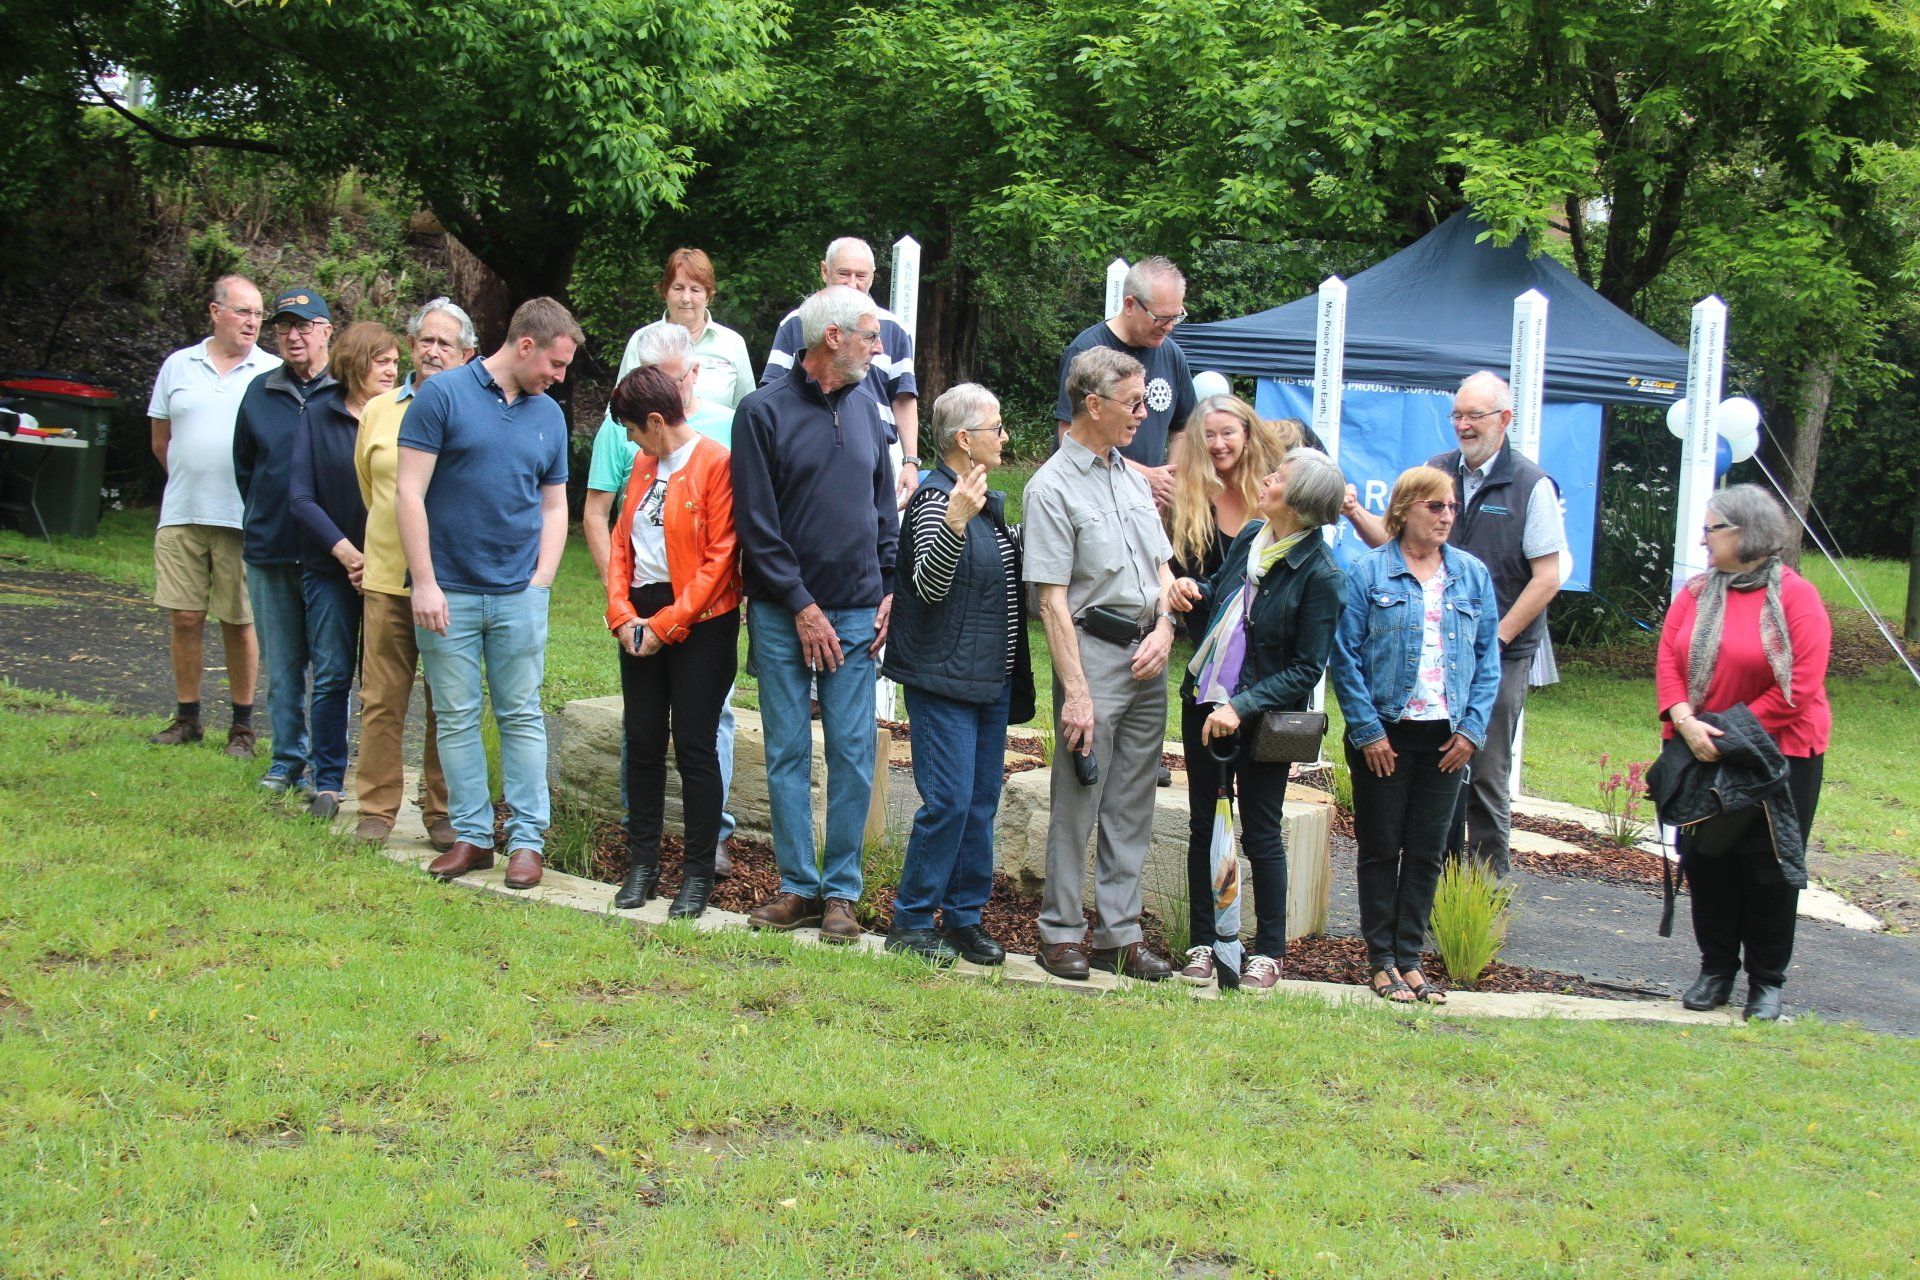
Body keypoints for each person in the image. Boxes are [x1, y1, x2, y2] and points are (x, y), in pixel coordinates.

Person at [1347, 371, 1567, 875]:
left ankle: (1481, 900)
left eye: (1475, 416)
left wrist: (1489, 644)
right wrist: (1357, 513)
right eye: (1458, 415)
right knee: (1436, 773)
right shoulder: (1436, 470)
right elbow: (1395, 548)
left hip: (1500, 654)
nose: (1464, 425)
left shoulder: (1532, 485)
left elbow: (1547, 578)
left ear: (1504, 419)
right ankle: (1433, 894)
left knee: (1485, 774)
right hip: (1426, 655)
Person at [733, 285, 898, 943]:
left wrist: (888, 585)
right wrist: (801, 606)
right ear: (832, 338)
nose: (878, 347)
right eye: (869, 334)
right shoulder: (761, 412)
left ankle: (840, 895)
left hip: (859, 610)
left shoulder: (867, 406)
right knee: (788, 751)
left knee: (855, 753)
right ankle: (797, 887)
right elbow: (756, 525)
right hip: (781, 613)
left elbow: (883, 505)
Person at [397, 297, 576, 891]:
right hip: (446, 590)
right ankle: (472, 837)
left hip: (519, 593)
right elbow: (409, 493)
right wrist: (424, 581)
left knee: (521, 715)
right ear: (525, 345)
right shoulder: (441, 396)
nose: (559, 375)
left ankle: (527, 843)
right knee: (455, 716)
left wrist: (543, 579)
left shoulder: (549, 414)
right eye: (554, 362)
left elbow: (555, 505)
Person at [1024, 347, 1180, 982]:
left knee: (1133, 801)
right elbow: (1053, 602)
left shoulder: (1130, 479)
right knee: (1078, 797)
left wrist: (1169, 627)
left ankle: (1119, 933)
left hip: (1150, 656)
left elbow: (1164, 570)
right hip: (1093, 653)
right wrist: (1077, 694)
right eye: (1134, 403)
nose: (1143, 415)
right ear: (1093, 405)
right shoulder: (1050, 487)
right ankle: (1059, 931)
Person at [1167, 447, 1346, 991]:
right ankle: (1205, 944)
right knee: (1204, 825)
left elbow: (1305, 670)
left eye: (1279, 476)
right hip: (1205, 702)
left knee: (1261, 833)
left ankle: (1268, 952)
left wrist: (1239, 708)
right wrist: (1189, 592)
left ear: (1300, 500)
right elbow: (1222, 598)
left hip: (1264, 721)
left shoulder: (1321, 575)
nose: (1266, 479)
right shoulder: (1251, 536)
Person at [1656, 484, 1830, 1022]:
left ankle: (1767, 982)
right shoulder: (1694, 592)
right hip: (1699, 747)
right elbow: (1668, 659)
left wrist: (1724, 734)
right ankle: (1715, 971)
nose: (1704, 540)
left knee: (1768, 866)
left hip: (1778, 753)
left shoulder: (1797, 597)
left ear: (1745, 532)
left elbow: (1797, 686)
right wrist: (1685, 721)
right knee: (1706, 860)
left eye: (1713, 529)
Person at [1330, 466, 1503, 1003]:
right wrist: (1367, 731)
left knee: (1429, 850)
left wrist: (1472, 730)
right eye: (1435, 506)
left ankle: (1410, 957)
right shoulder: (1368, 573)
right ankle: (1380, 960)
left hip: (1447, 739)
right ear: (1405, 510)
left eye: (1451, 507)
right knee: (1382, 848)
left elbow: (1487, 660)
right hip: (1384, 734)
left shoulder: (1471, 575)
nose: (1446, 516)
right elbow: (1345, 656)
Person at [881, 384, 1034, 966]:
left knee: (979, 804)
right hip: (942, 679)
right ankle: (912, 921)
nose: (1005, 437)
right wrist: (953, 523)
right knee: (946, 802)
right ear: (964, 440)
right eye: (996, 428)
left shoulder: (985, 503)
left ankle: (965, 919)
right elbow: (926, 586)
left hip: (986, 682)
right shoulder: (932, 502)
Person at [582, 320, 740, 877]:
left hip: (701, 623)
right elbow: (622, 541)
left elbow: (720, 560)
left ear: (655, 420)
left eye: (632, 429)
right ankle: (642, 866)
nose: (627, 442)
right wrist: (622, 615)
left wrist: (666, 624)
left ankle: (698, 874)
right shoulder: (644, 465)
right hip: (642, 618)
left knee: (695, 747)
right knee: (643, 739)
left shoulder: (716, 463)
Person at [352, 297, 475, 846]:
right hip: (385, 578)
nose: (433, 350)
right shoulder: (379, 410)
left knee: (448, 700)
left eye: (445, 343)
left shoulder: (473, 411)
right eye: (425, 340)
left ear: (468, 353)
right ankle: (375, 810)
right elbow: (371, 487)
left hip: (452, 582)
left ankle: (442, 811)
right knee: (382, 696)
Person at [146, 275, 277, 756]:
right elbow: (161, 440)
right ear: (215, 311)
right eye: (243, 311)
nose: (253, 322)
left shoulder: (271, 372)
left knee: (239, 621)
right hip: (182, 510)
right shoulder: (178, 366)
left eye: (259, 314)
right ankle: (187, 718)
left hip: (243, 517)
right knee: (184, 616)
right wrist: (191, 477)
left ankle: (242, 726)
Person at [286, 321, 394, 819]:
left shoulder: (403, 415)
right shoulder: (318, 414)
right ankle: (327, 781)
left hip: (390, 570)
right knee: (331, 673)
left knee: (379, 684)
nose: (393, 369)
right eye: (382, 361)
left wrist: (376, 557)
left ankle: (376, 785)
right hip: (332, 568)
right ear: (354, 364)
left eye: (396, 361)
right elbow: (300, 497)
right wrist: (348, 554)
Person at [232, 286, 335, 788]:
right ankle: (286, 759)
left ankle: (325, 763)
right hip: (271, 548)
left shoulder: (345, 391)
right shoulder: (260, 391)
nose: (293, 336)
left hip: (330, 554)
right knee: (282, 665)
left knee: (331, 667)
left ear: (327, 332)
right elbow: (246, 468)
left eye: (304, 326)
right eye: (284, 327)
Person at [761, 237, 921, 504]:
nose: (852, 284)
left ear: (873, 277)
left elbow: (903, 398)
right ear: (825, 271)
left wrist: (911, 461)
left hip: (879, 453)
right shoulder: (795, 324)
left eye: (861, 276)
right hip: (808, 453)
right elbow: (771, 394)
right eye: (843, 274)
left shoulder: (893, 329)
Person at [1053, 255, 1195, 511]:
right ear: (1130, 305)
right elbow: (1068, 437)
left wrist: (1168, 484)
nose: (1169, 327)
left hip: (1150, 506)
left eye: (1176, 317)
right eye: (1162, 318)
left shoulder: (1173, 355)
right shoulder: (1086, 351)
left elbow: (1183, 430)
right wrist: (1143, 477)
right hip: (1092, 503)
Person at [620, 247, 755, 410]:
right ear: (665, 292)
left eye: (695, 289)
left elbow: (747, 409)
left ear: (709, 295)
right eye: (678, 288)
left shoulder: (732, 343)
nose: (686, 298)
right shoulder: (641, 340)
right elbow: (620, 406)